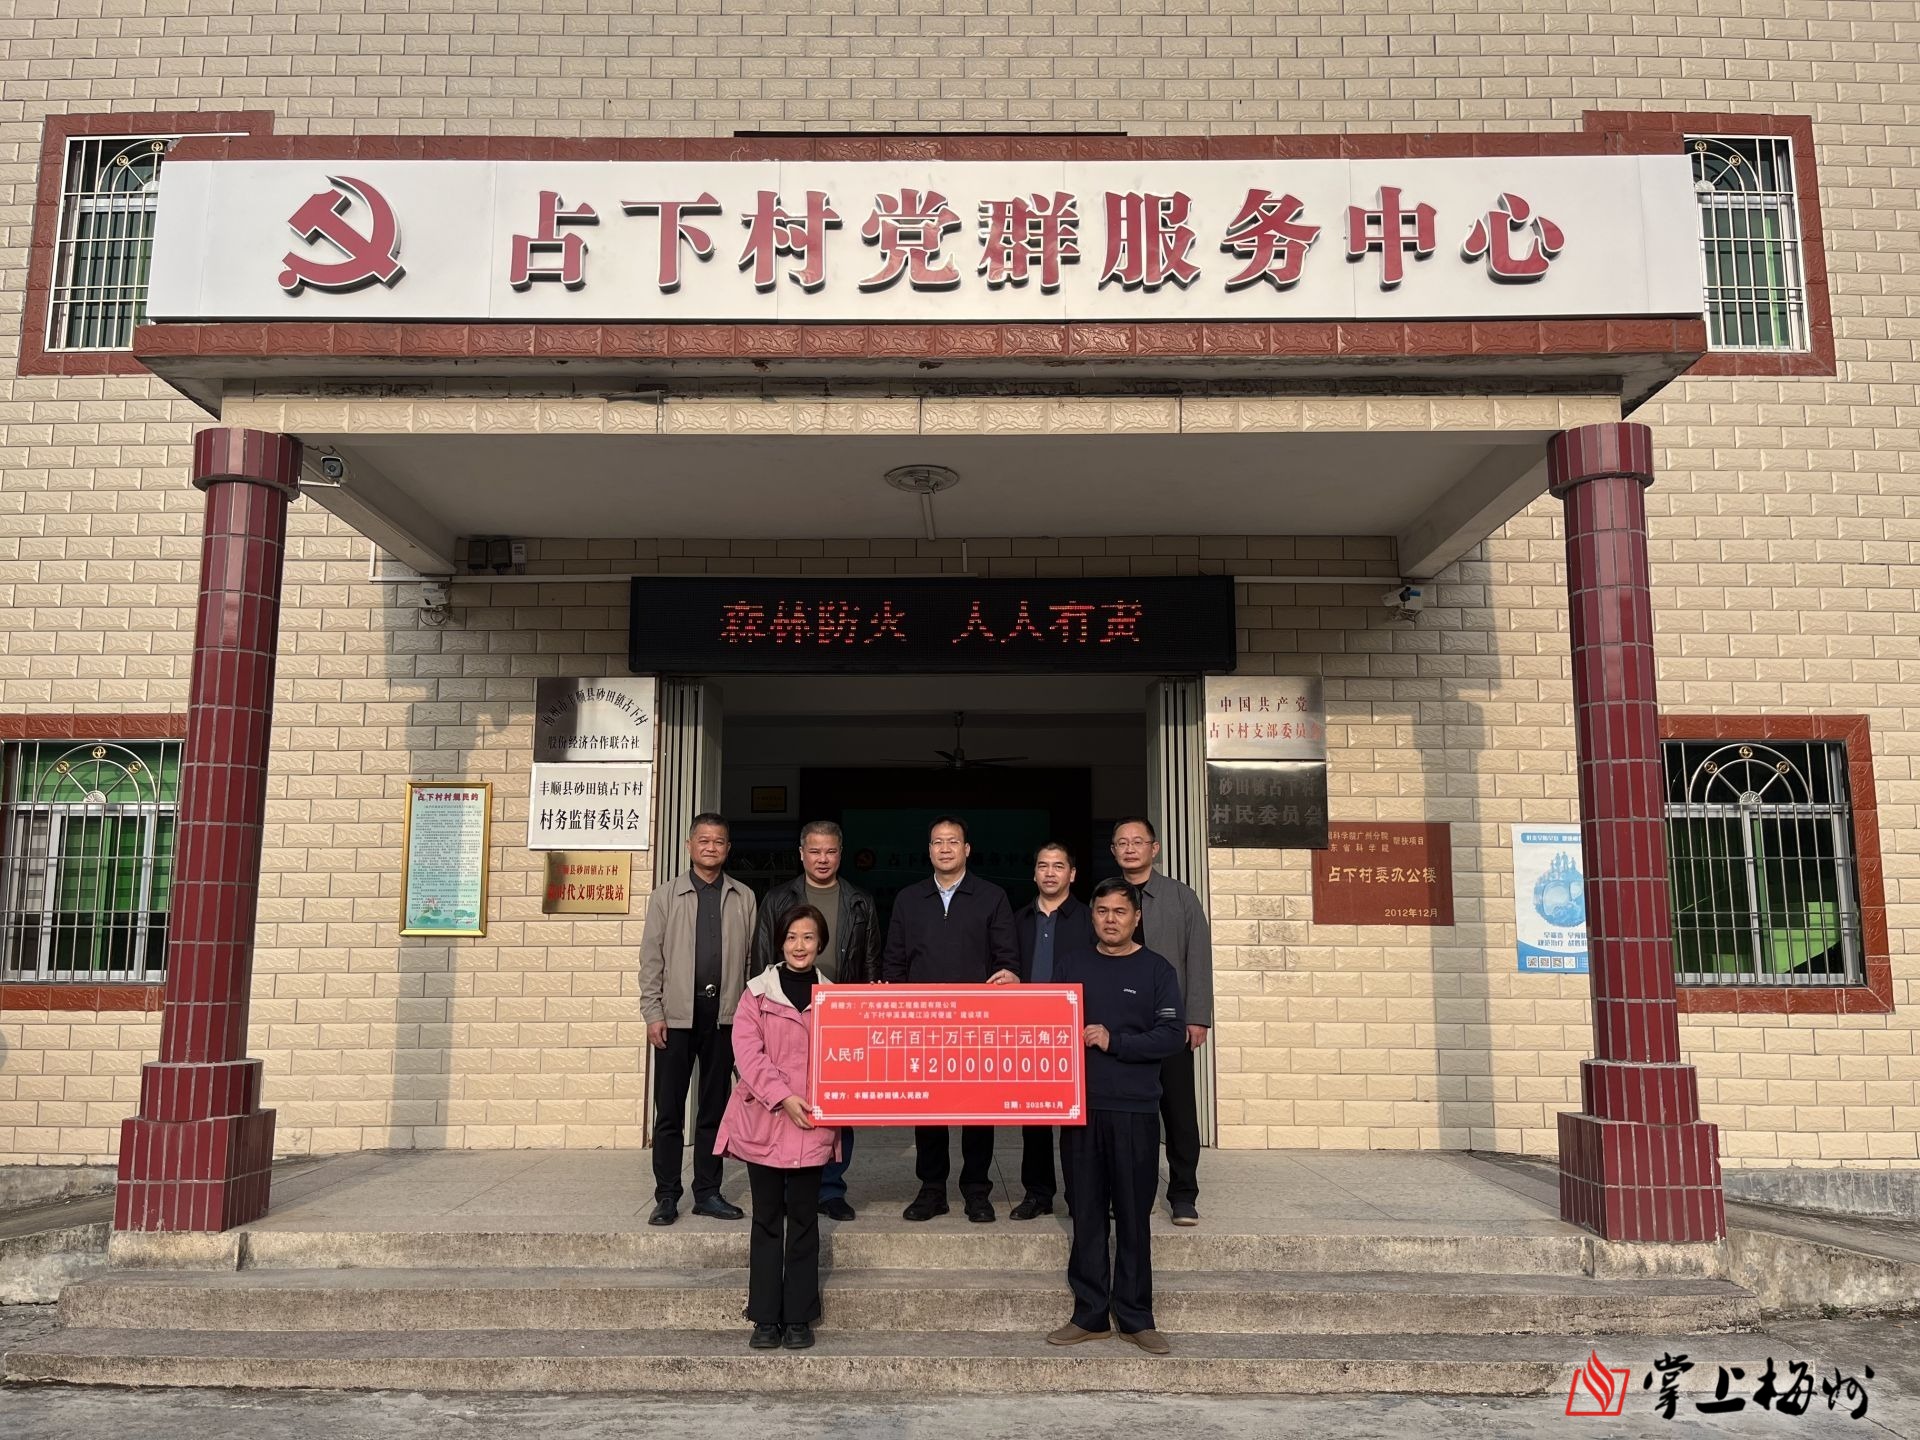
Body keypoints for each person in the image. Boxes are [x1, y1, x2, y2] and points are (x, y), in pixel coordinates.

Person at [1047, 877, 1185, 1356]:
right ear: (1093, 916)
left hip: (1134, 1110)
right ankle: (1089, 1315)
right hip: (1081, 1110)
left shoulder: (1157, 969)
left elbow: (1171, 1036)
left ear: (1136, 918)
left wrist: (1115, 1041)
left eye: (1120, 912)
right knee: (1086, 1213)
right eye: (1102, 911)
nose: (1110, 919)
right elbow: (1047, 1025)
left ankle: (1136, 1316)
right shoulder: (1071, 966)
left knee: (1131, 1215)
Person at [881, 814, 1019, 1223]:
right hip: (923, 1022)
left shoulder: (992, 896)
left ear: (967, 849)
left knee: (979, 1109)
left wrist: (1010, 974)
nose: (945, 848)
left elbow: (1007, 957)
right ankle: (932, 1189)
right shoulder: (909, 899)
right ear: (929, 850)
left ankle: (977, 1190)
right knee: (927, 1108)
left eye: (953, 841)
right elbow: (894, 960)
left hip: (977, 1022)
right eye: (938, 842)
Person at [716, 904, 840, 1352]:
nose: (799, 946)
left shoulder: (835, 998)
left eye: (808, 937)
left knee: (804, 1219)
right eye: (791, 937)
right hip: (765, 1121)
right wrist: (783, 1096)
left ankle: (799, 1316)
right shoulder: (756, 994)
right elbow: (748, 1056)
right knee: (767, 1218)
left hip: (811, 1122)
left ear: (820, 943)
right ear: (780, 942)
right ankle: (766, 1317)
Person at [751, 819, 880, 1224]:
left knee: (839, 1106)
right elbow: (761, 957)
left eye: (830, 851)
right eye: (815, 851)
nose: (822, 859)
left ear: (840, 854)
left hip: (841, 1020)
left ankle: (830, 1189)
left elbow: (871, 963)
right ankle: (787, 1183)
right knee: (787, 1098)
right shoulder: (778, 898)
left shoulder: (860, 901)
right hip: (786, 1010)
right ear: (801, 854)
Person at [639, 812, 756, 1226]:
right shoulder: (665, 896)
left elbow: (750, 963)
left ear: (728, 848)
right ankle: (667, 1195)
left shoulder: (743, 897)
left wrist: (748, 1019)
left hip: (724, 1019)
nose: (711, 847)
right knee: (669, 1111)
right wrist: (653, 1012)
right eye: (703, 840)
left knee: (714, 1109)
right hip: (676, 1019)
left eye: (719, 841)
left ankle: (707, 1192)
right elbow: (651, 960)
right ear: (689, 846)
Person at [1110, 816, 1213, 1226]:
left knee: (1179, 1110)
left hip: (1170, 1024)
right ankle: (1134, 1191)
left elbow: (1198, 958)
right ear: (1113, 851)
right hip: (1121, 1025)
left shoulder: (1180, 897)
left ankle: (1184, 1193)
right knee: (1130, 1115)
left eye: (1138, 841)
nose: (1130, 848)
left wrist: (1197, 1017)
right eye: (1122, 842)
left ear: (1154, 849)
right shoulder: (1107, 895)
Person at [1009, 841, 1095, 1222]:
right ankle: (1038, 1193)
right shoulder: (1018, 919)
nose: (1049, 872)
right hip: (1029, 1032)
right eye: (1043, 865)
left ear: (1071, 874)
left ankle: (1082, 1195)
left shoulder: (1089, 919)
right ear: (1034, 874)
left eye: (1058, 866)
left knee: (1078, 1122)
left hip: (1077, 1031)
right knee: (1035, 1120)